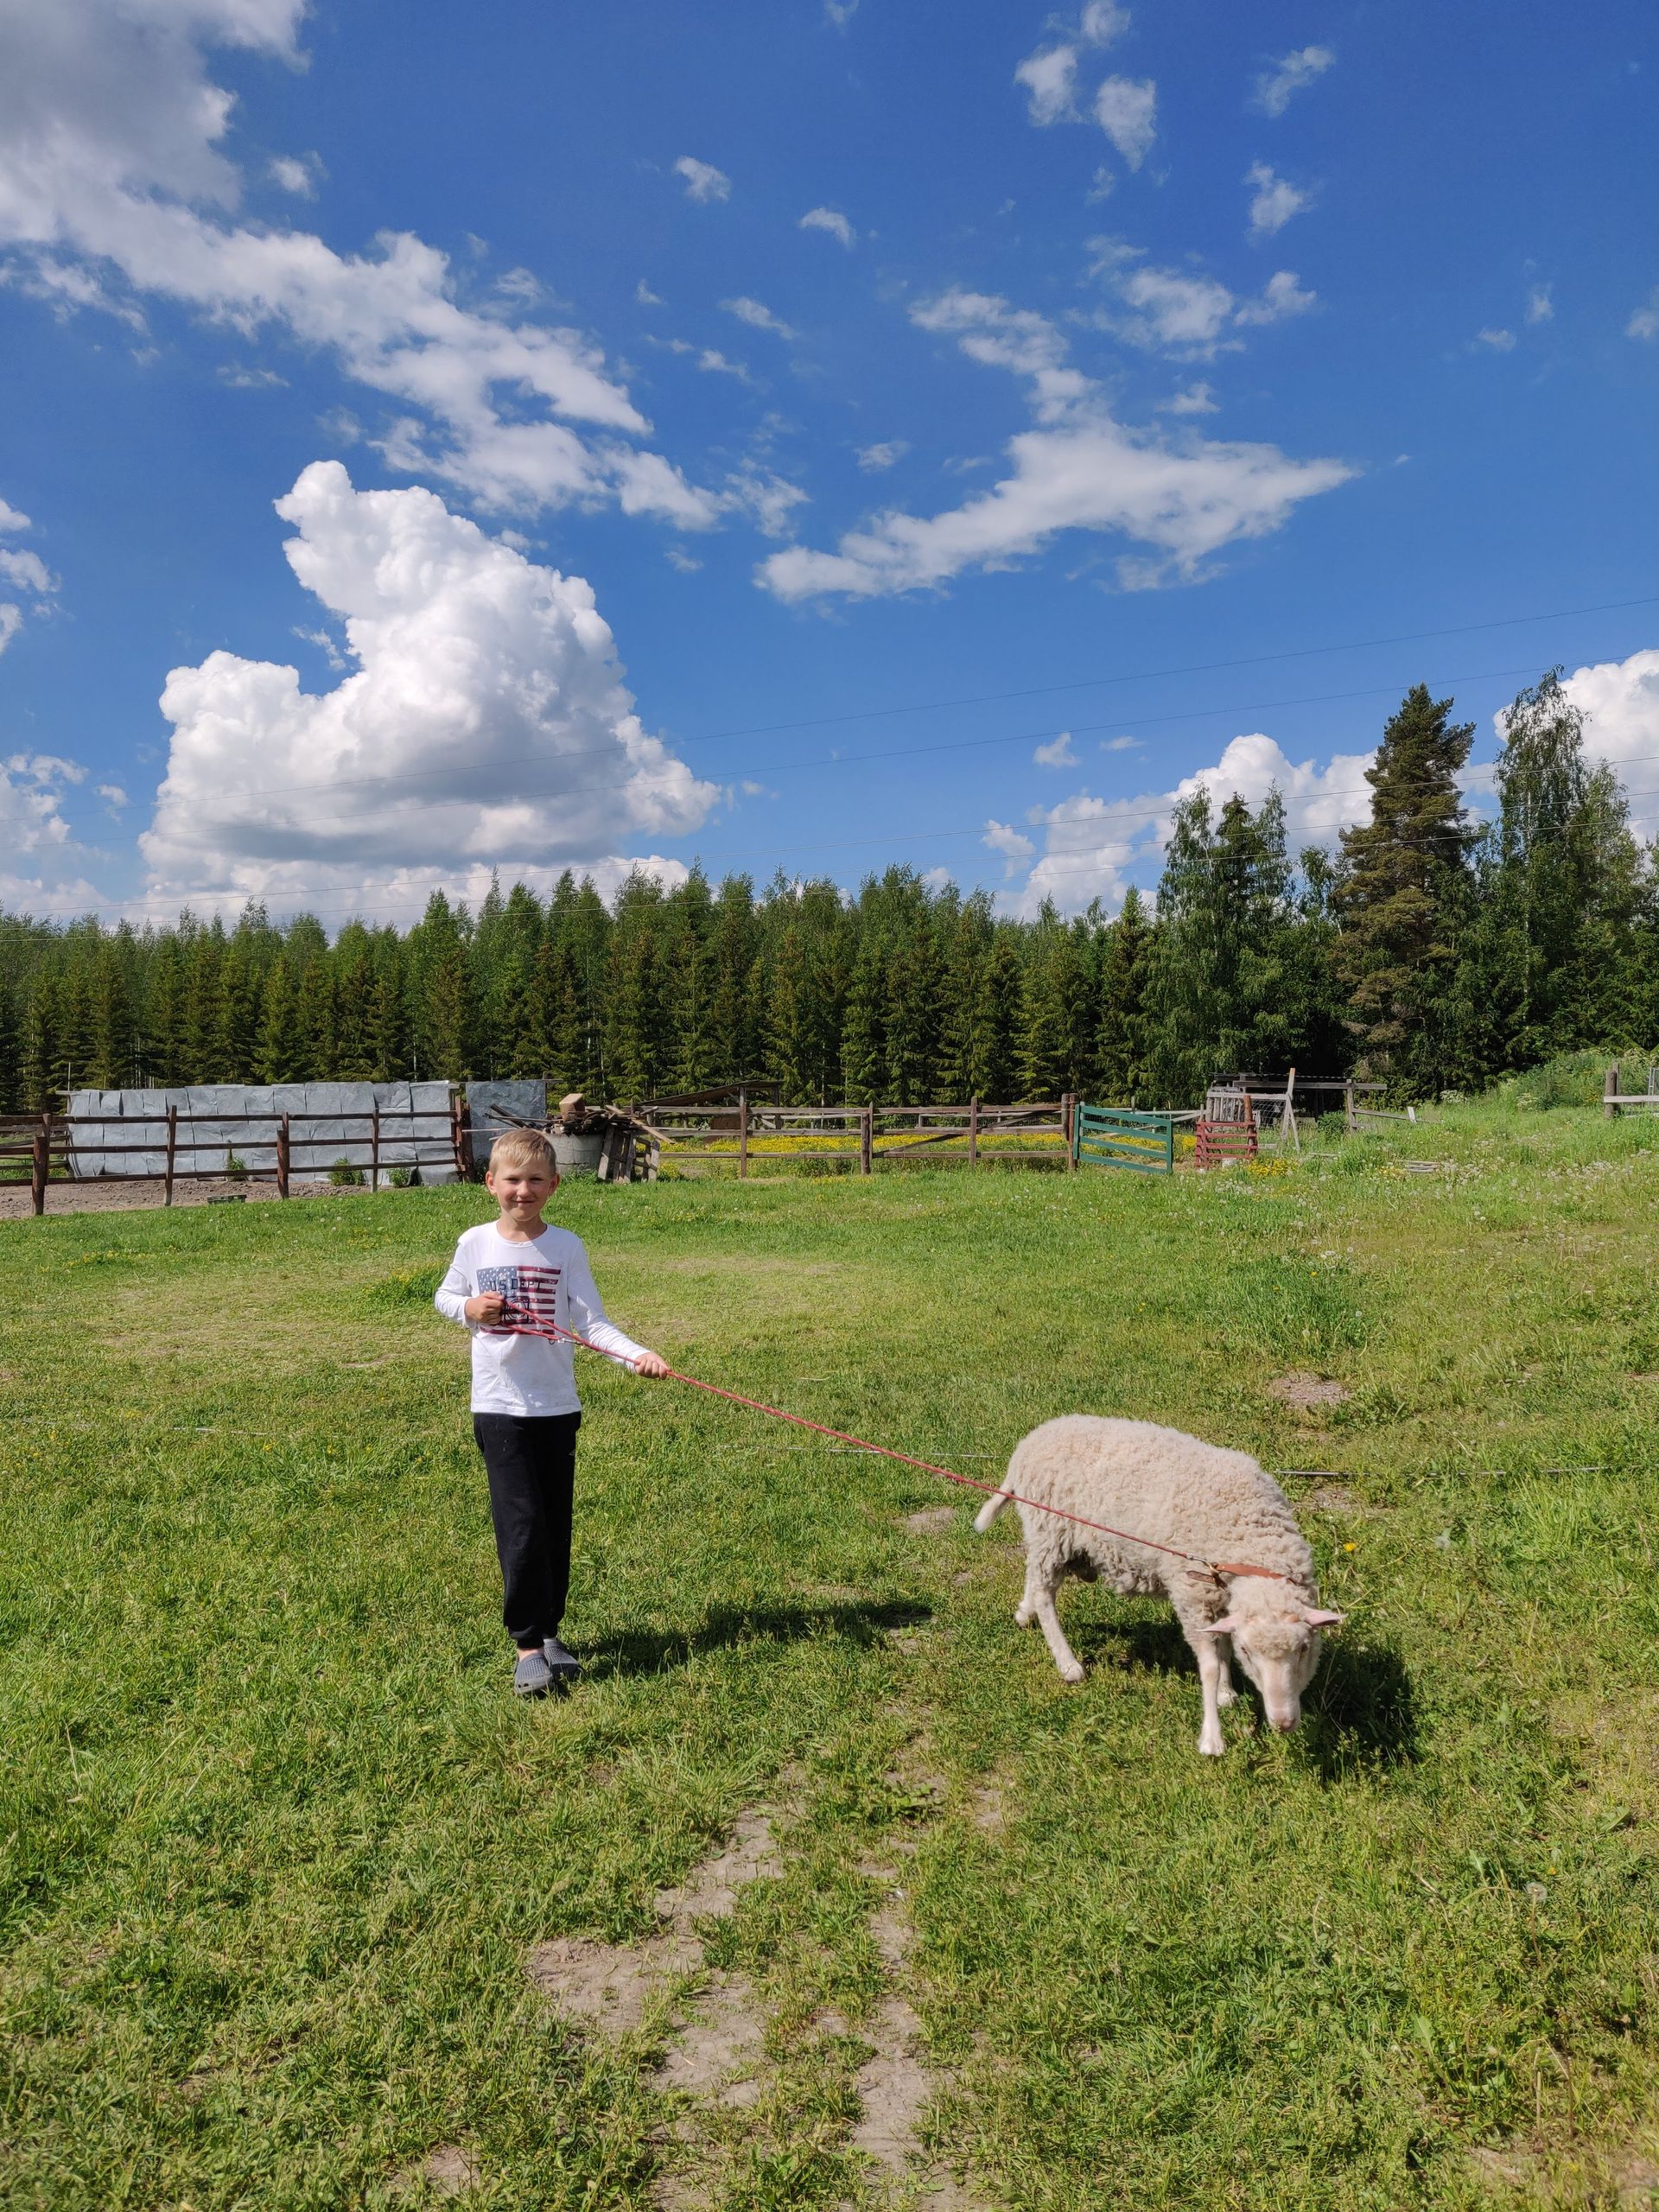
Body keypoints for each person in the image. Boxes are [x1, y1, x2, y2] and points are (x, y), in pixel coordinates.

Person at [434, 1127, 669, 1696]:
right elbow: (444, 1297)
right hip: (499, 1407)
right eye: (512, 1179)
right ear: (490, 1183)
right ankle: (527, 1645)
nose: (523, 1190)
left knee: (554, 1527)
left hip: (556, 1407)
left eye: (536, 1180)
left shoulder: (566, 1247)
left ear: (555, 1185)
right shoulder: (474, 1243)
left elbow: (591, 1323)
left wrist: (636, 1354)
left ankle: (551, 1630)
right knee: (521, 1526)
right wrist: (469, 1306)